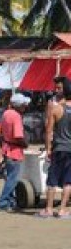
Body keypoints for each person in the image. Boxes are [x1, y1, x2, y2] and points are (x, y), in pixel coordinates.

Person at [0, 93, 30, 213]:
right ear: (19, 105)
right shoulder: (16, 116)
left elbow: (0, 133)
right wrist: (25, 144)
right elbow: (18, 136)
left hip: (7, 148)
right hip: (14, 150)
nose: (25, 107)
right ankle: (3, 202)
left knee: (10, 177)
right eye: (24, 105)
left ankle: (10, 201)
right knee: (12, 179)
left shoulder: (6, 113)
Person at [42, 79, 71, 218]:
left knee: (52, 179)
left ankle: (48, 209)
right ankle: (62, 210)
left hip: (59, 147)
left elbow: (49, 130)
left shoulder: (56, 108)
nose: (56, 90)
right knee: (68, 180)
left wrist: (48, 148)